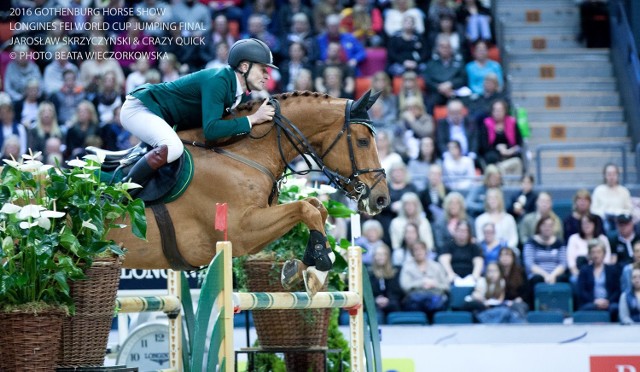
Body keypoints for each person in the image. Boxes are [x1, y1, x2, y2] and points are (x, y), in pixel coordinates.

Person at [119, 38, 278, 186]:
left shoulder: (236, 91)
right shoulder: (219, 81)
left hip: (158, 114)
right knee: (173, 147)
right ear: (244, 67)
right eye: (263, 69)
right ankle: (123, 191)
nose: (267, 76)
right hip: (141, 108)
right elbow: (211, 130)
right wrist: (253, 119)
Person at [400, 241, 450, 319]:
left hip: (435, 298)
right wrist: (422, 282)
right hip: (415, 299)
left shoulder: (437, 266)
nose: (419, 252)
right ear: (412, 253)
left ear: (426, 251)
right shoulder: (407, 267)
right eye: (416, 250)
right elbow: (405, 286)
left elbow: (446, 286)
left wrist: (434, 284)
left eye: (421, 249)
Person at [523, 216, 568, 296]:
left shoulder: (559, 243)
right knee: (537, 279)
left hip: (555, 274)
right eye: (544, 225)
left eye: (550, 226)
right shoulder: (531, 242)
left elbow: (563, 263)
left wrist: (553, 275)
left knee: (563, 279)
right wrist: (545, 275)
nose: (547, 228)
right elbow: (529, 263)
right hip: (538, 275)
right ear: (539, 227)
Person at [577, 240, 620, 322]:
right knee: (586, 308)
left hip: (608, 302)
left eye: (599, 252)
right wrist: (595, 301)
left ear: (604, 254)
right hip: (591, 302)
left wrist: (607, 301)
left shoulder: (612, 270)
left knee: (615, 308)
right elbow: (581, 291)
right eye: (593, 252)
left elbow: (617, 290)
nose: (596, 255)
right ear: (589, 254)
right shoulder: (584, 270)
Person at [566, 213, 612, 283]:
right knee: (574, 280)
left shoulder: (602, 239)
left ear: (594, 224)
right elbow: (571, 261)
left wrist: (598, 274)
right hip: (579, 272)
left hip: (600, 272)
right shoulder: (573, 238)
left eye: (589, 222)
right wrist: (577, 274)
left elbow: (607, 258)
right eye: (584, 223)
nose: (586, 225)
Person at [591, 163, 633, 234]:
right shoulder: (598, 190)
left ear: (617, 175)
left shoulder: (624, 191)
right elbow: (593, 209)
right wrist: (604, 214)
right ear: (604, 175)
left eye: (614, 174)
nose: (611, 177)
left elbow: (629, 210)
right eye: (609, 174)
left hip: (620, 222)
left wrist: (619, 213)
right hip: (603, 222)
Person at [474, 188, 519, 253]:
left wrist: (504, 249)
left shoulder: (509, 218)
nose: (493, 200)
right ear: (487, 200)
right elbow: (480, 239)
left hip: (507, 252)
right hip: (487, 252)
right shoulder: (480, 219)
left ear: (500, 200)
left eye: (495, 198)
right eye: (490, 198)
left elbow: (514, 239)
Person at [439, 220, 484, 284]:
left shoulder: (474, 247)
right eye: (460, 230)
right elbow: (444, 260)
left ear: (469, 233)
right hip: (453, 276)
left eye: (465, 231)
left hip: (470, 277)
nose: (462, 233)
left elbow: (478, 262)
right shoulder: (448, 246)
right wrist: (450, 274)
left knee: (481, 282)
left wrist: (475, 276)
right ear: (455, 231)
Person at [369, 244, 404, 322]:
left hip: (392, 303)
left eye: (383, 254)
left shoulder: (396, 272)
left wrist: (387, 300)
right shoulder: (369, 273)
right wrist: (376, 300)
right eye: (378, 254)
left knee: (394, 306)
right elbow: (367, 293)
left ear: (388, 256)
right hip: (374, 303)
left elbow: (398, 292)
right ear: (374, 257)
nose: (381, 257)